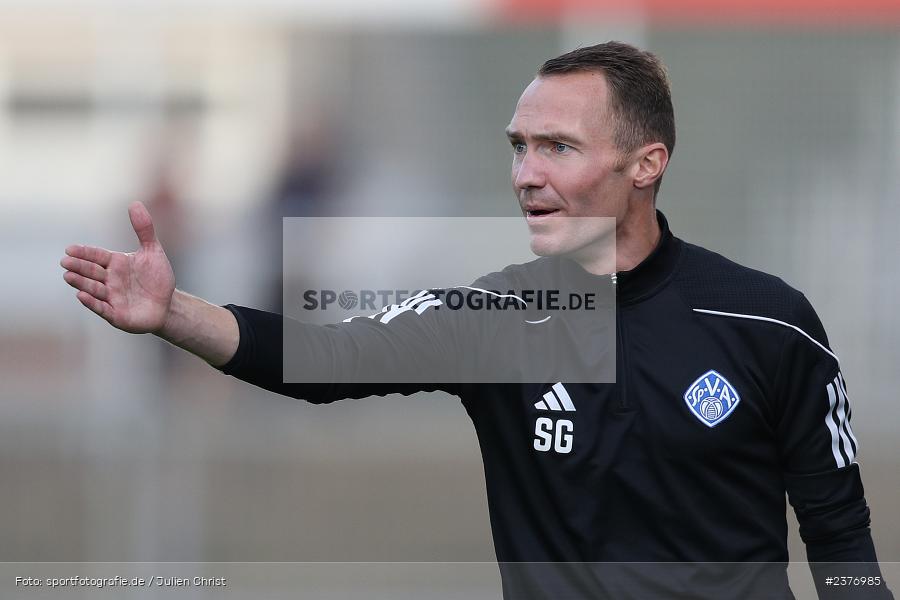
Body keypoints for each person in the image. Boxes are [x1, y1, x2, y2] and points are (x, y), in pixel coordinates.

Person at [61, 42, 891, 599]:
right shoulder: (498, 314)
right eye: (519, 146)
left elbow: (841, 541)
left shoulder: (770, 324)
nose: (526, 174)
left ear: (646, 164)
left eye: (558, 148)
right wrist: (174, 313)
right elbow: (324, 358)